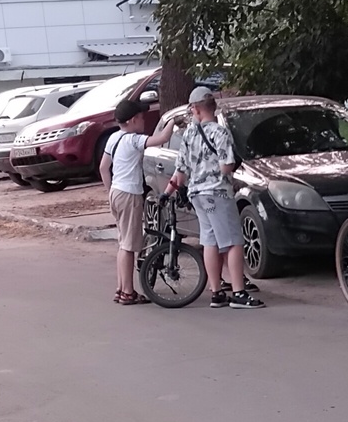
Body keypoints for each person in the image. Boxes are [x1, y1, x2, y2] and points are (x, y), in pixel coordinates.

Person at [162, 86, 263, 309]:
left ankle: (216, 292)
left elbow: (180, 172)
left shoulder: (188, 134)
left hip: (197, 195)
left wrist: (166, 193)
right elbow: (226, 166)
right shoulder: (220, 133)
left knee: (210, 241)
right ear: (212, 107)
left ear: (195, 109)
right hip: (217, 193)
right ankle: (238, 292)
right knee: (233, 242)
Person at [99, 96, 153, 304]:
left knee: (123, 243)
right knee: (130, 245)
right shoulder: (133, 139)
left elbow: (104, 168)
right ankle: (128, 292)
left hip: (116, 192)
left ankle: (121, 287)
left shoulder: (114, 138)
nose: (143, 121)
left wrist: (110, 189)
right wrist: (172, 125)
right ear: (131, 120)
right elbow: (157, 139)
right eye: (140, 117)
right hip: (130, 193)